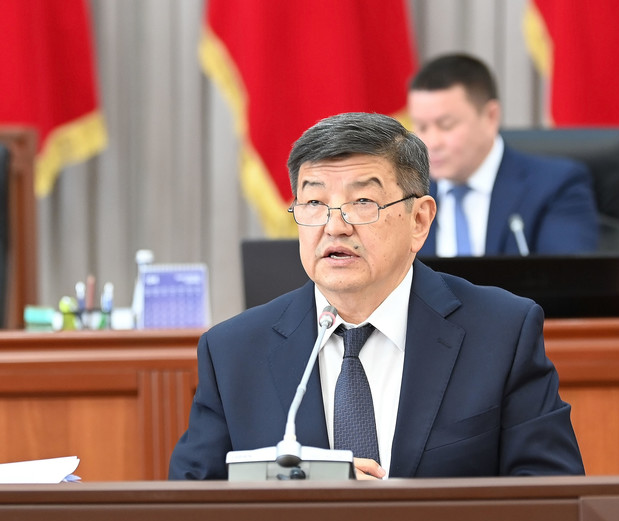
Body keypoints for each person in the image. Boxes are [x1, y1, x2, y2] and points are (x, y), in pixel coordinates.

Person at [169, 112, 583, 480]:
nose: (335, 226)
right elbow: (190, 513)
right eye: (314, 202)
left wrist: (393, 514)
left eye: (362, 201)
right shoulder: (234, 351)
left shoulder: (500, 332)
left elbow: (550, 499)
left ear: (419, 220)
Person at [408, 53, 598, 257]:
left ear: (491, 117)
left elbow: (566, 274)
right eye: (422, 127)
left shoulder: (555, 187)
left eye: (446, 125)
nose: (431, 142)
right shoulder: (405, 194)